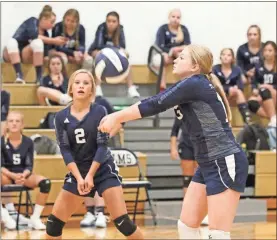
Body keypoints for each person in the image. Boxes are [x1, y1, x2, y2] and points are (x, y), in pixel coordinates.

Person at [98, 44, 249, 239]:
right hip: (207, 163)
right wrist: (119, 119)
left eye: (182, 57)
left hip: (224, 159)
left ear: (195, 66)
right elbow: (152, 100)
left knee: (218, 234)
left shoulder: (195, 83)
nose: (175, 60)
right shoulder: (188, 85)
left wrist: (116, 116)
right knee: (186, 226)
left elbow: (154, 104)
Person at [46, 69, 143, 239]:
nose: (81, 86)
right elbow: (65, 150)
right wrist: (80, 177)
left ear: (92, 90)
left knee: (123, 222)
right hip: (78, 172)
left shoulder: (99, 111)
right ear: (70, 88)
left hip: (103, 170)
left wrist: (90, 175)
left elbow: (102, 146)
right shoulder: (61, 117)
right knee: (53, 225)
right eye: (77, 83)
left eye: (86, 83)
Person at [1, 111, 51, 230]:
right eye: (11, 121)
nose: (14, 124)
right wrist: (13, 176)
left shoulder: (28, 142)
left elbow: (29, 165)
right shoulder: (1, 141)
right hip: (6, 175)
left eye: (17, 121)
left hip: (24, 175)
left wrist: (23, 175)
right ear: (7, 125)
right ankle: (4, 213)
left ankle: (35, 218)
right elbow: (1, 166)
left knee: (46, 183)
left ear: (22, 125)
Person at [81, 95, 123, 228]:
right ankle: (90, 213)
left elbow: (120, 121)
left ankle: (100, 213)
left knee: (98, 176)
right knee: (84, 177)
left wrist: (106, 137)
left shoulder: (102, 102)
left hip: (100, 148)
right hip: (82, 149)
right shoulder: (75, 105)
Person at [2, 5, 66, 84]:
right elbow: (34, 35)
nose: (53, 25)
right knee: (11, 42)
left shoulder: (46, 35)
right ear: (43, 19)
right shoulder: (32, 21)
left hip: (25, 55)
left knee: (38, 43)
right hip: (12, 53)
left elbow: (45, 56)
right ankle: (19, 75)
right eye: (52, 22)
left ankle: (38, 78)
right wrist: (54, 40)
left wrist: (54, 60)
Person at [87, 11, 140, 98]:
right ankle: (97, 87)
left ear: (118, 22)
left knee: (126, 56)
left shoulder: (120, 29)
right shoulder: (101, 28)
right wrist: (113, 50)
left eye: (113, 21)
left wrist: (118, 51)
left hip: (112, 53)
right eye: (109, 21)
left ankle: (131, 88)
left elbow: (122, 46)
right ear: (106, 21)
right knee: (100, 57)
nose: (111, 24)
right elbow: (99, 46)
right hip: (97, 51)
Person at [170, 116, 209, 226]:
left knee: (201, 178)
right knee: (187, 179)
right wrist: (173, 148)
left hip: (201, 144)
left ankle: (202, 212)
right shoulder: (181, 108)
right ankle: (188, 211)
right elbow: (174, 130)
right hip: (186, 145)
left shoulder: (202, 106)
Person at [155, 8, 191, 91]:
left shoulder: (184, 29)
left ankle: (184, 87)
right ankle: (162, 87)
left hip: (179, 54)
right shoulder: (163, 29)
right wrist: (171, 51)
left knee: (184, 58)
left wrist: (177, 49)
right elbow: (160, 46)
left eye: (178, 17)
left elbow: (188, 45)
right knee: (162, 58)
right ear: (169, 17)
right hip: (166, 55)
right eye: (173, 16)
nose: (175, 19)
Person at [213, 48, 251, 124]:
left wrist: (234, 89)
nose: (225, 57)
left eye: (228, 55)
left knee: (239, 92)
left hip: (233, 96)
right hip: (219, 95)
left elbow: (240, 86)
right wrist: (228, 89)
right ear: (220, 57)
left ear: (233, 58)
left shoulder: (237, 69)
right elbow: (214, 86)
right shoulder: (215, 69)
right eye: (223, 54)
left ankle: (247, 120)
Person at [248, 41, 277, 127]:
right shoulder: (258, 66)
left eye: (270, 50)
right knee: (251, 102)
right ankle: (273, 118)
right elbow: (254, 81)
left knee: (265, 89)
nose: (267, 53)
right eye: (265, 50)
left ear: (275, 52)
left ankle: (273, 118)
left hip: (274, 93)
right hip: (263, 94)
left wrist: (271, 87)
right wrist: (254, 89)